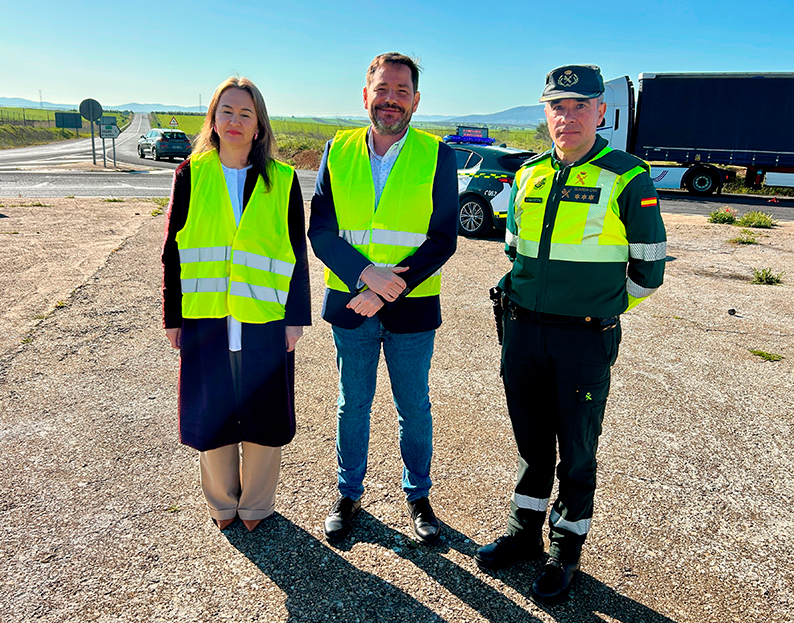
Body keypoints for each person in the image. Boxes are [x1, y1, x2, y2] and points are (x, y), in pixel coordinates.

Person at [474, 65, 667, 605]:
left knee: (577, 449)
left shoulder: (629, 176)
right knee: (531, 443)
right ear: (546, 114)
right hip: (523, 331)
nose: (569, 116)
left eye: (581, 105)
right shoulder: (528, 175)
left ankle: (566, 550)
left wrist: (600, 306)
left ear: (601, 113)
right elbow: (513, 250)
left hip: (583, 337)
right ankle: (523, 534)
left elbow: (649, 268)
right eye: (558, 106)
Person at [308, 52, 458, 544]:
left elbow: (443, 238)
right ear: (365, 94)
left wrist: (388, 290)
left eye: (401, 91)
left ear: (415, 100)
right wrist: (366, 276)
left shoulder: (438, 154)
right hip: (352, 304)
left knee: (413, 407)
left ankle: (418, 497)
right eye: (383, 89)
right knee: (354, 405)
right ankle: (349, 494)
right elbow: (322, 230)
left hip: (410, 307)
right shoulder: (338, 149)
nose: (390, 99)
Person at [161, 76, 311, 533]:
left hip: (264, 317)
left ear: (259, 126)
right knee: (214, 409)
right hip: (206, 316)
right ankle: (222, 502)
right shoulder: (190, 173)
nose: (235, 120)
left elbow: (295, 252)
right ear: (213, 118)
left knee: (264, 412)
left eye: (246, 113)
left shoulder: (282, 180)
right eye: (226, 111)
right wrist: (173, 316)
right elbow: (172, 247)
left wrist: (295, 319)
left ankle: (257, 505)